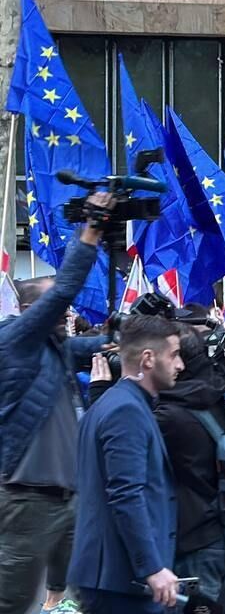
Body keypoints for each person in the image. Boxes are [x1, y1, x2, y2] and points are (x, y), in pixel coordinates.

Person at [0, 199, 112, 614]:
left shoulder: (55, 348)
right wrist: (91, 231)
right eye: (56, 308)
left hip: (67, 495)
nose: (67, 313)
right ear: (31, 312)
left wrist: (139, 333)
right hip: (27, 498)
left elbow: (100, 346)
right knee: (11, 599)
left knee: (77, 586)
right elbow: (64, 288)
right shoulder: (15, 342)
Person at [69, 315, 184, 614]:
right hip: (121, 580)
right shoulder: (125, 410)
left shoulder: (114, 403)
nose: (180, 364)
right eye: (173, 355)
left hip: (114, 576)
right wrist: (152, 566)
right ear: (148, 359)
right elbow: (125, 494)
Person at [155, 325, 225, 613]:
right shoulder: (213, 393)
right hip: (217, 524)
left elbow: (119, 447)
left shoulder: (168, 415)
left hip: (190, 533)